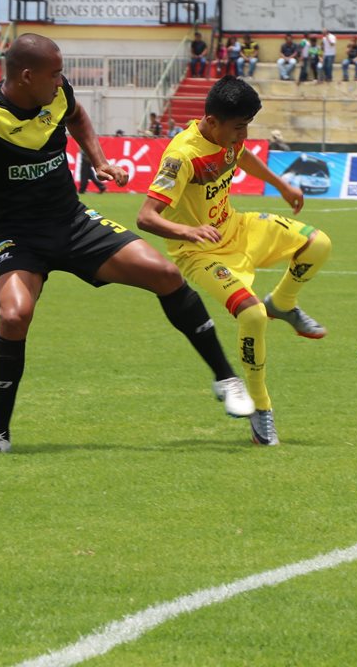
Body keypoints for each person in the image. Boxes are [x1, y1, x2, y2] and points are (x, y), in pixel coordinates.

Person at [0, 33, 254, 457]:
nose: (62, 80)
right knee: (13, 316)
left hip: (73, 223)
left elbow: (77, 117)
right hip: (19, 237)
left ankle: (225, 378)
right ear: (27, 76)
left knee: (165, 274)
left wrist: (98, 160)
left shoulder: (58, 95)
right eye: (55, 72)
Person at [137, 76, 330, 446]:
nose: (243, 135)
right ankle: (261, 408)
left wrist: (281, 184)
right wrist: (189, 233)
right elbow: (146, 217)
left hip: (237, 228)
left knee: (318, 244)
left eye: (247, 127)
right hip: (201, 252)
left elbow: (241, 155)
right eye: (239, 127)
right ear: (212, 121)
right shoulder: (182, 156)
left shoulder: (228, 138)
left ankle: (284, 303)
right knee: (252, 315)